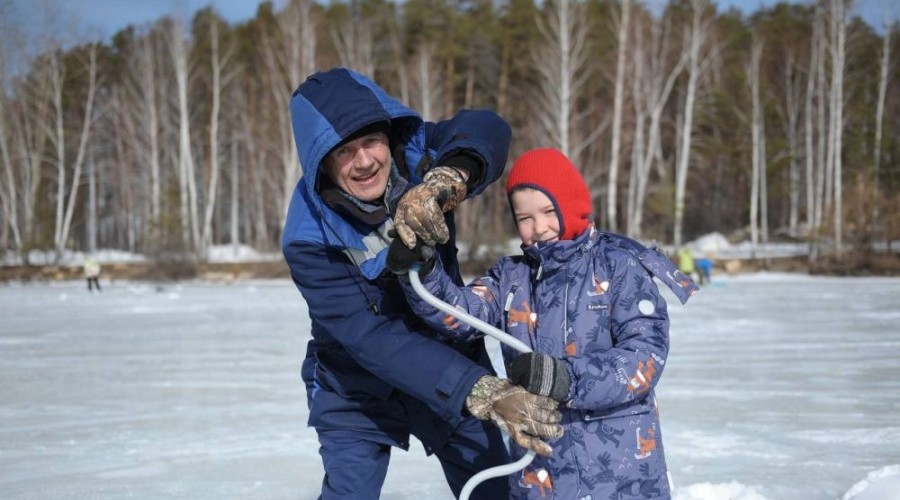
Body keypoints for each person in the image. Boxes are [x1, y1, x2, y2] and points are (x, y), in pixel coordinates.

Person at [282, 68, 563, 499]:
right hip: (355, 384)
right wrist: (479, 390)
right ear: (321, 161)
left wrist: (448, 178)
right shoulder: (307, 236)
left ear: (389, 135)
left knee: (495, 488)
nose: (365, 161)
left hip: (447, 351)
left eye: (371, 141)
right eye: (345, 151)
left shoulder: (418, 155)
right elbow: (370, 337)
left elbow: (487, 126)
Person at [389, 148, 698, 499]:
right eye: (525, 218)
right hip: (541, 474)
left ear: (573, 205)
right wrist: (423, 270)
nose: (538, 228)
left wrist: (565, 378)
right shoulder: (511, 277)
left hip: (620, 476)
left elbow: (644, 357)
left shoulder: (617, 266)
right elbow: (457, 315)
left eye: (549, 212)